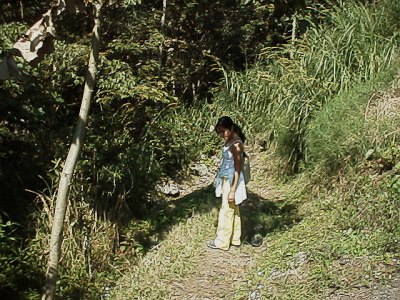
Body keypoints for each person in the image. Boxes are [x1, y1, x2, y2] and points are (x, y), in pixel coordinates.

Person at [207, 116, 247, 250]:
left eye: (223, 131)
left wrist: (232, 190)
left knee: (226, 210)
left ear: (230, 129)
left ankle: (222, 242)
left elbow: (237, 168)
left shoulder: (236, 145)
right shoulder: (231, 141)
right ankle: (235, 238)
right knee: (233, 209)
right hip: (227, 178)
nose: (221, 135)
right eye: (219, 132)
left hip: (231, 181)